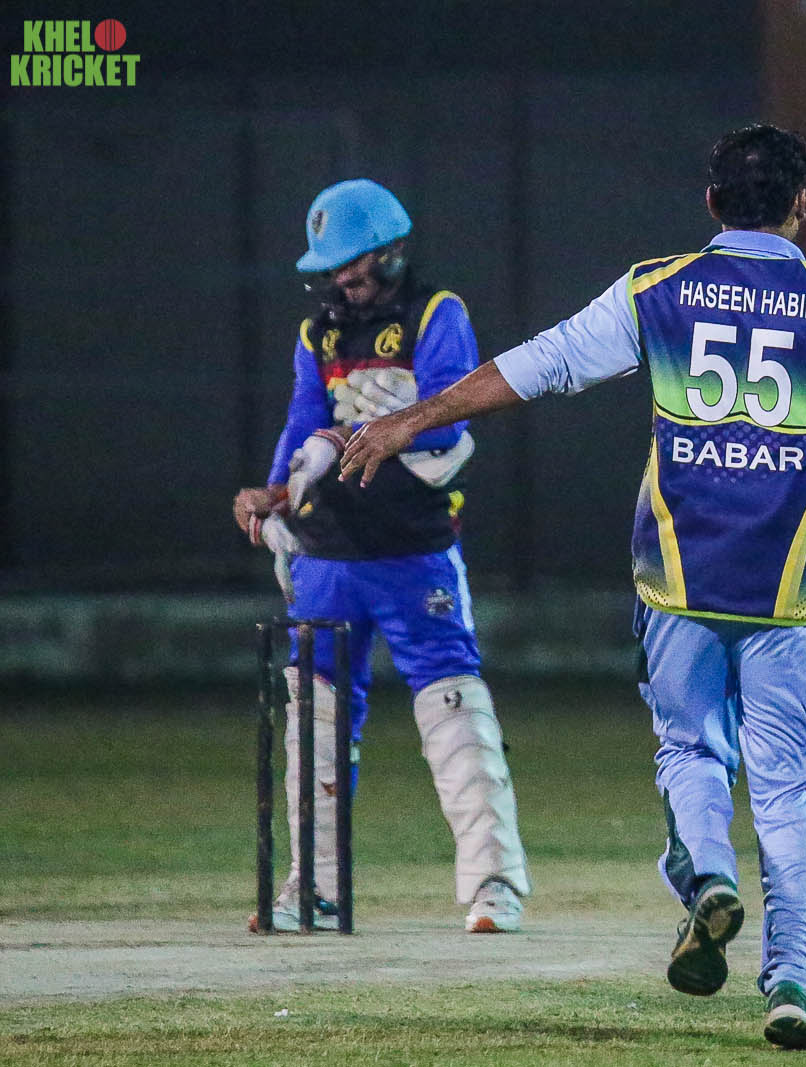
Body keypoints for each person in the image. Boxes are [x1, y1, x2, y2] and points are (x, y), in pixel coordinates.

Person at [337, 124, 806, 1050]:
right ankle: (791, 976)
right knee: (792, 790)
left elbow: (540, 364)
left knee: (691, 750)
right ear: (801, 208)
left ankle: (705, 874)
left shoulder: (656, 288)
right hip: (788, 588)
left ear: (711, 204)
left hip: (676, 579)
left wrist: (409, 419)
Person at [231, 178, 530, 935]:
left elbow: (449, 416)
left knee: (454, 712)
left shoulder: (436, 313)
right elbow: (303, 417)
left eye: (354, 263)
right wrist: (275, 492)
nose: (343, 279)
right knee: (314, 720)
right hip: (327, 554)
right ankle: (313, 887)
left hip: (414, 548)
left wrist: (349, 436)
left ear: (393, 250)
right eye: (332, 267)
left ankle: (494, 883)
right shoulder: (318, 333)